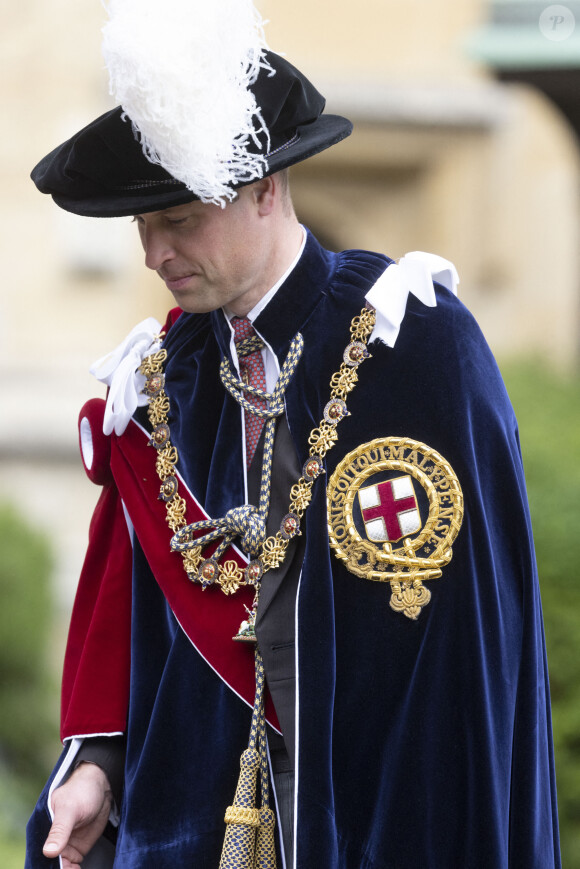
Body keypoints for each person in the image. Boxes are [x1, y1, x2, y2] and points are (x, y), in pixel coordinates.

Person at [25, 9, 560, 869]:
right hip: (195, 832)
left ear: (265, 187)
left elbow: (464, 665)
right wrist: (97, 764)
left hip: (375, 825)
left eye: (180, 219)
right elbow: (132, 637)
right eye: (142, 227)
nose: (157, 253)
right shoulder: (162, 379)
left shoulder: (409, 343)